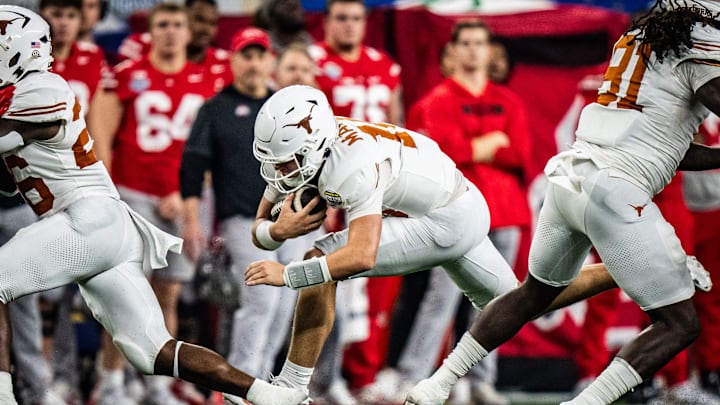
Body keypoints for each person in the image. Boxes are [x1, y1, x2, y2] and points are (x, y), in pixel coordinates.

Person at [243, 84, 675, 403]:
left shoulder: (349, 166)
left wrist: (288, 274)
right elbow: (262, 223)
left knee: (319, 258)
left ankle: (292, 388)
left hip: (444, 219)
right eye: (274, 160)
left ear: (316, 144)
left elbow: (360, 255)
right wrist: (276, 232)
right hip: (462, 203)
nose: (279, 171)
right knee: (524, 302)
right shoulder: (313, 144)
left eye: (288, 161)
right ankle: (637, 266)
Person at [404, 1, 720, 404]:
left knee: (532, 294)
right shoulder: (701, 47)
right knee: (679, 324)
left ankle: (436, 384)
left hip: (572, 178)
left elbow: (668, 146)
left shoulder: (636, 41)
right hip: (616, 190)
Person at [0, 5, 308, 405]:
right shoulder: (24, 93)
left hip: (84, 220)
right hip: (101, 225)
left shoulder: (40, 88)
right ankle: (269, 395)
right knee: (155, 351)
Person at [88, 3, 217, 404]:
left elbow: (214, 149)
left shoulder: (205, 80)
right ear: (150, 30)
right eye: (162, 24)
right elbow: (101, 135)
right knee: (123, 294)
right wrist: (110, 197)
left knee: (167, 297)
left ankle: (158, 382)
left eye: (178, 24)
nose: (170, 32)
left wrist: (187, 193)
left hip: (182, 198)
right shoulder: (127, 74)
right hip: (131, 194)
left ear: (189, 31)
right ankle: (111, 381)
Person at [181, 26, 312, 384]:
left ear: (271, 59)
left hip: (292, 216)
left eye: (259, 55)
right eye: (246, 55)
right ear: (233, 60)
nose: (254, 63)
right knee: (263, 299)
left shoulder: (285, 106)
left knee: (289, 301)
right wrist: (193, 222)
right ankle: (239, 385)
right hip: (243, 221)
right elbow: (192, 169)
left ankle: (264, 381)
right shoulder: (215, 109)